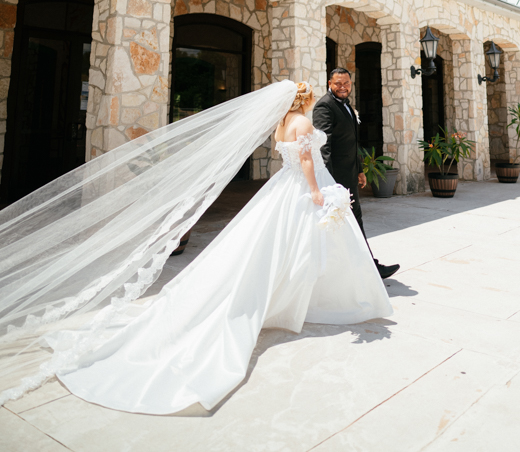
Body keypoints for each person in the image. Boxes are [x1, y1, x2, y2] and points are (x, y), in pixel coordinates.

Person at [29, 82, 392, 414]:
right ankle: (306, 298)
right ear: (303, 100)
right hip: (301, 188)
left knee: (280, 247)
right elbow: (308, 160)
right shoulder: (301, 123)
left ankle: (296, 296)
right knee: (295, 248)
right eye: (309, 97)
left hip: (283, 186)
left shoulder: (281, 124)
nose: (312, 101)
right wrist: (315, 191)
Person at [313, 67, 400, 280]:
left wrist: (360, 170)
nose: (343, 87)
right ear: (329, 84)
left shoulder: (347, 106)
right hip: (337, 178)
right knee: (346, 222)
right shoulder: (325, 106)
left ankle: (366, 266)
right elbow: (325, 146)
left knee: (355, 220)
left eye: (346, 84)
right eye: (338, 84)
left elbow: (353, 142)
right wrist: (330, 182)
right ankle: (365, 268)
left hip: (350, 174)